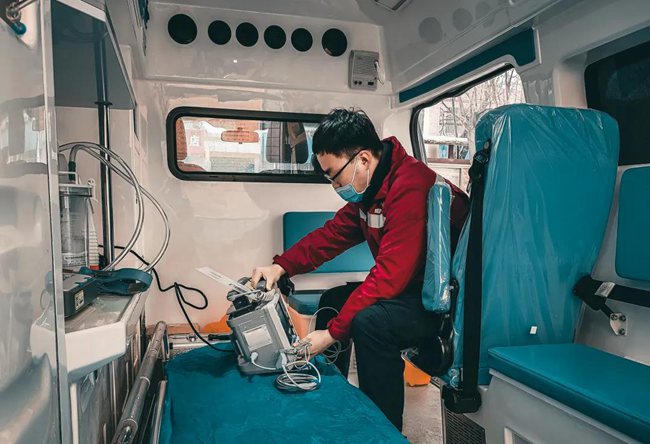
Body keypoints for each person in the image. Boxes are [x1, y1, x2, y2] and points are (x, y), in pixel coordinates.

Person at [252, 108, 468, 430]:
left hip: (447, 303)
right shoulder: (371, 193)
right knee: (334, 300)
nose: (334, 185)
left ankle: (381, 430)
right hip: (413, 289)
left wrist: (330, 334)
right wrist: (281, 266)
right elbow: (330, 237)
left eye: (334, 176)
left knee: (371, 324)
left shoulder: (410, 188)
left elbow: (389, 278)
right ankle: (329, 394)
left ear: (363, 159)